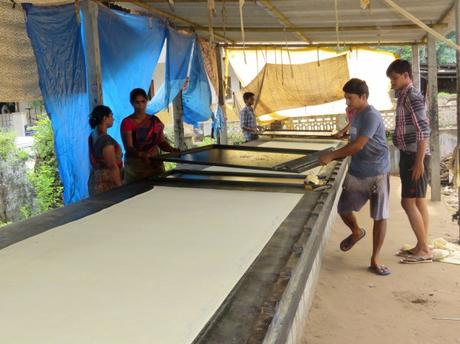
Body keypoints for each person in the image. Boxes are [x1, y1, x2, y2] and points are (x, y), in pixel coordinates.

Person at [319, 78, 391, 276]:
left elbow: (358, 145)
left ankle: (375, 258)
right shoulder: (357, 114)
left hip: (377, 171)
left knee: (380, 216)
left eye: (350, 98)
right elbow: (354, 138)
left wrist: (332, 155)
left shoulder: (371, 115)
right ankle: (357, 232)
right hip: (358, 170)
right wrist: (342, 137)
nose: (347, 102)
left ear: (363, 97)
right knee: (343, 209)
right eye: (346, 98)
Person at [386, 59, 432, 264]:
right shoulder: (403, 96)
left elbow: (423, 130)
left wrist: (420, 161)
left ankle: (423, 250)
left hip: (415, 156)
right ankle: (422, 245)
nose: (392, 82)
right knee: (419, 200)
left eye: (395, 78)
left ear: (406, 76)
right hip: (411, 155)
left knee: (408, 202)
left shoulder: (412, 96)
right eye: (391, 79)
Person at [121, 88, 179, 184]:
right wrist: (141, 155)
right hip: (135, 167)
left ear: (147, 101)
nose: (140, 106)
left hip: (154, 163)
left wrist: (171, 149)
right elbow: (129, 147)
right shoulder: (127, 123)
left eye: (143, 102)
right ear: (132, 103)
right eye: (137, 103)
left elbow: (161, 141)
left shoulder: (154, 121)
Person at [88, 105, 123, 196]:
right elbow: (111, 165)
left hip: (95, 180)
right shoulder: (105, 139)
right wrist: (120, 187)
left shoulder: (92, 136)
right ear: (105, 118)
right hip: (107, 182)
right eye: (111, 116)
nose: (113, 119)